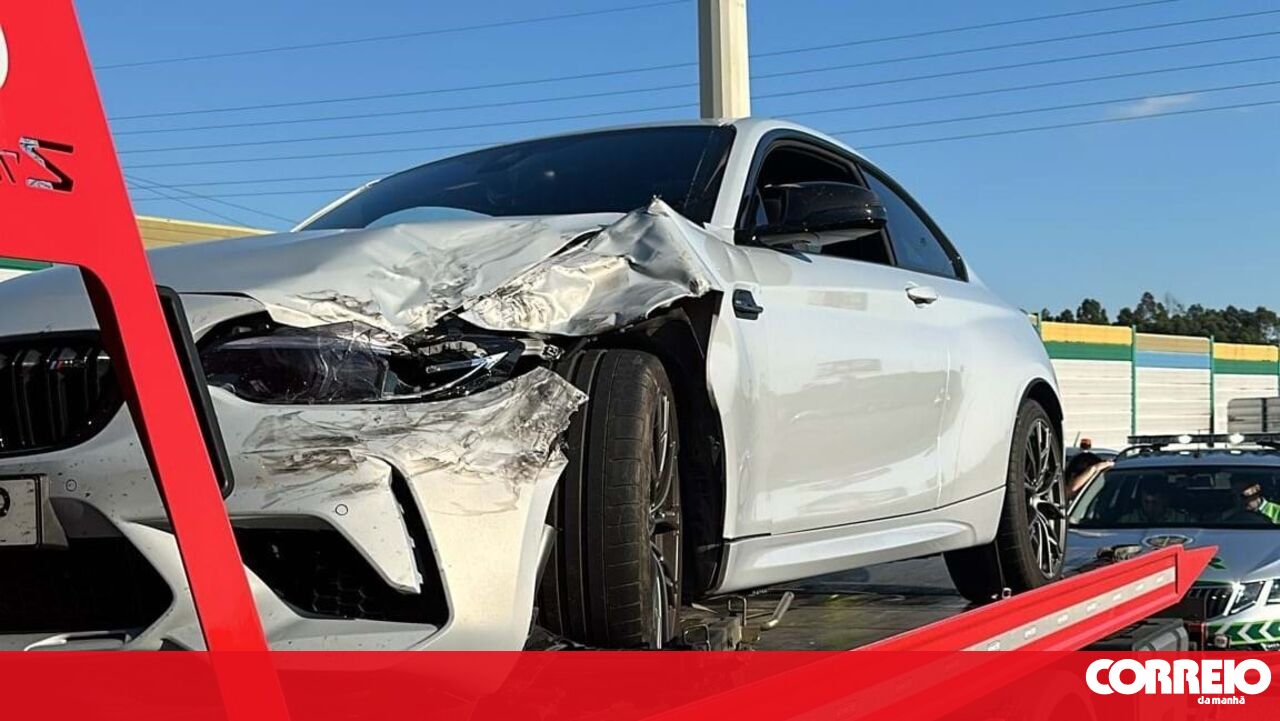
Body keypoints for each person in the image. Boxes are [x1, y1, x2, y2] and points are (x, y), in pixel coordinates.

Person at [1118, 480, 1190, 525]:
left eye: (1154, 502)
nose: (1150, 507)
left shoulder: (1183, 521)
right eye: (1146, 502)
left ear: (1165, 501)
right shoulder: (1126, 521)